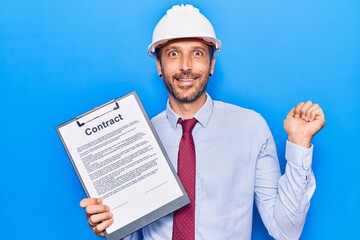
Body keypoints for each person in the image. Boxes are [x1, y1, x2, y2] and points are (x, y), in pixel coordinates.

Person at [80, 4, 326, 240]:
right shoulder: (137, 136)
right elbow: (131, 236)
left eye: (197, 53)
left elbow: (286, 232)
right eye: (173, 54)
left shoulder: (251, 127)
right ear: (159, 66)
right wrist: (110, 224)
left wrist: (298, 143)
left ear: (211, 64)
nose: (185, 67)